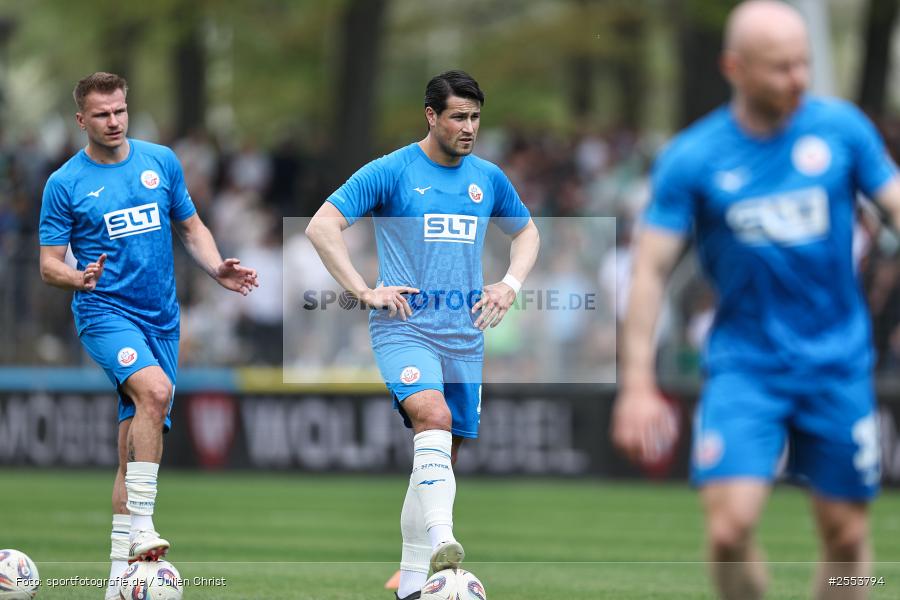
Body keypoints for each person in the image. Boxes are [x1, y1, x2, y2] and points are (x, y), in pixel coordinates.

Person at [611, 2, 900, 599]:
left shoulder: (842, 130)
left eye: (804, 64)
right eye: (780, 68)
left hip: (837, 363)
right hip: (746, 366)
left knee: (847, 538)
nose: (798, 79)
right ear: (735, 68)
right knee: (729, 526)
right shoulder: (693, 158)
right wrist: (638, 385)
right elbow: (649, 272)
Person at [306, 70, 539, 600]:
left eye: (476, 117)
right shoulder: (392, 171)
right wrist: (364, 290)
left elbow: (526, 231)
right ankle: (447, 542)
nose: (469, 127)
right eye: (459, 116)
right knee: (431, 418)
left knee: (439, 459)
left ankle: (412, 585)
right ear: (431, 116)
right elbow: (321, 226)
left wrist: (509, 283)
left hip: (465, 337)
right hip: (404, 330)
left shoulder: (488, 178)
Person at [38, 72, 258, 600]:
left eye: (119, 111)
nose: (113, 121)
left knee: (131, 443)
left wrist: (214, 268)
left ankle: (118, 581)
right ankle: (142, 530)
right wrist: (77, 276)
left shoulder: (161, 162)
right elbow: (48, 265)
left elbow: (192, 226)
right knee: (155, 392)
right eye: (101, 114)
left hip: (161, 317)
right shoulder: (65, 183)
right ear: (81, 120)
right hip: (103, 312)